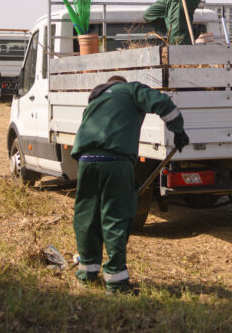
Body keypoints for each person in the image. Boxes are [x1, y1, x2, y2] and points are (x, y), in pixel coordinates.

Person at [71, 75, 189, 293]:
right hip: (115, 161)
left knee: (87, 217)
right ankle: (116, 283)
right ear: (121, 84)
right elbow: (162, 102)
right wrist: (178, 130)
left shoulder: (96, 99)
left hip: (86, 160)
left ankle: (87, 274)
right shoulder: (131, 90)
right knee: (115, 217)